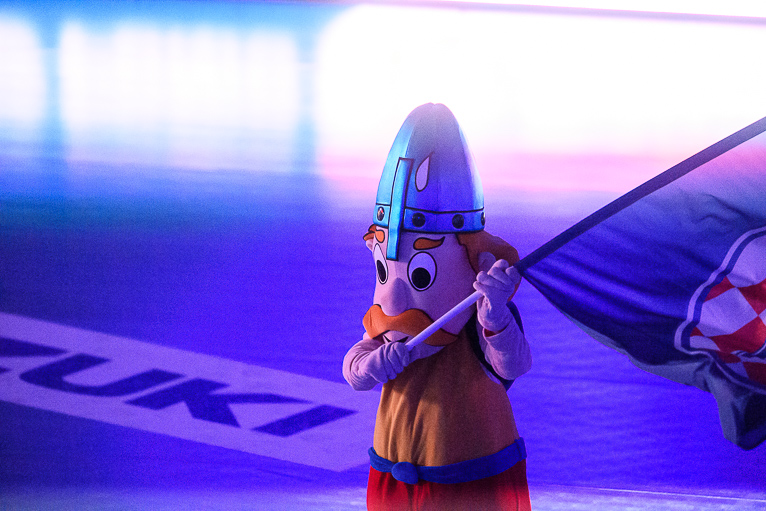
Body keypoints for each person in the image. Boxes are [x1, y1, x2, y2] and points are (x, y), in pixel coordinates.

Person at [342, 103, 532, 510]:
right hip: (393, 480)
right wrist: (370, 365)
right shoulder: (387, 329)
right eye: (383, 271)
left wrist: (496, 315)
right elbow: (355, 369)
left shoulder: (482, 320)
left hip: (470, 484)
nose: (394, 302)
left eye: (421, 275)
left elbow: (512, 366)